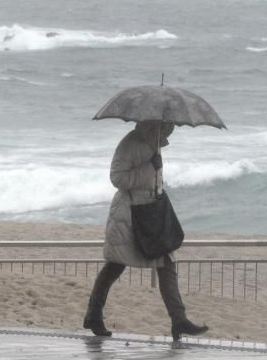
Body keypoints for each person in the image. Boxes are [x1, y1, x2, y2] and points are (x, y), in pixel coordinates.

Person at [84, 120, 209, 340]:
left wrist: (156, 177)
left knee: (166, 265)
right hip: (129, 215)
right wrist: (149, 168)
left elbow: (151, 178)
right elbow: (117, 177)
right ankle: (93, 315)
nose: (170, 128)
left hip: (150, 213)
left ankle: (178, 320)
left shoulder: (155, 144)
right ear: (153, 123)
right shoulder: (130, 143)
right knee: (115, 265)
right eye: (166, 124)